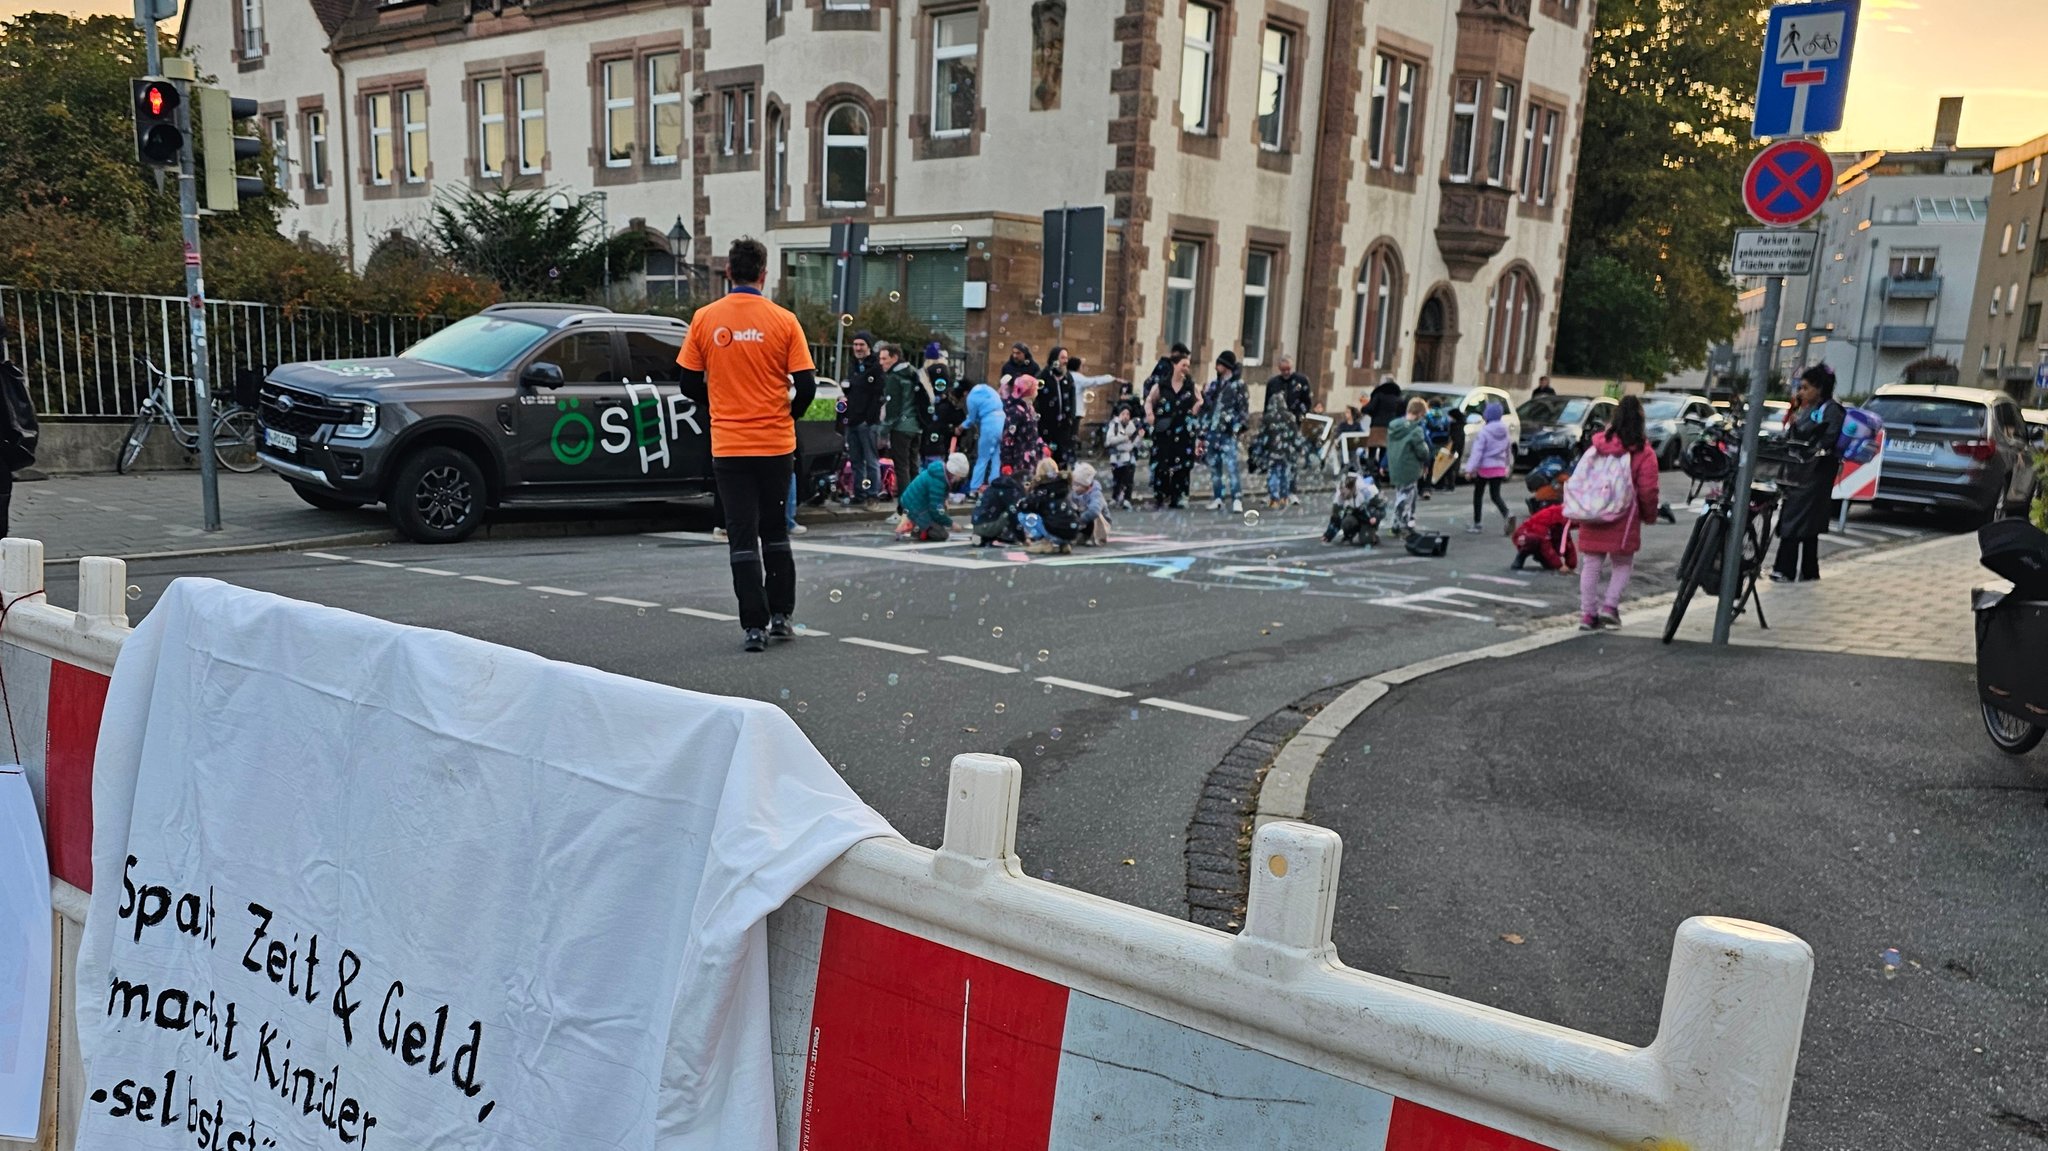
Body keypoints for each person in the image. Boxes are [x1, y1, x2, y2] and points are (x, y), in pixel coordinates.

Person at [677, 237, 818, 652]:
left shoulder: (705, 318)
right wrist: (787, 415)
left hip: (730, 447)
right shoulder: (784, 320)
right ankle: (781, 616)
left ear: (727, 273)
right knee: (775, 532)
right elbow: (807, 386)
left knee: (741, 536)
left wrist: (718, 403)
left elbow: (687, 382)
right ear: (764, 274)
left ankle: (753, 626)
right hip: (775, 444)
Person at [1569, 393, 1661, 630]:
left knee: (1591, 564)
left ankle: (1588, 614)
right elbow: (1648, 489)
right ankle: (1610, 606)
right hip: (1623, 515)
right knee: (1622, 563)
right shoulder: (1644, 452)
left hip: (1594, 509)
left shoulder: (1599, 444)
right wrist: (1649, 515)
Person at [1771, 363, 1849, 583]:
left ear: (1819, 388)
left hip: (1813, 473)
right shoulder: (1809, 409)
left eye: (1805, 388)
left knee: (1794, 518)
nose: (1801, 392)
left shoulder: (1830, 410)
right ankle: (1809, 570)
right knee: (1807, 524)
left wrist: (1800, 433)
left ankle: (1784, 569)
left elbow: (1824, 439)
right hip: (1803, 471)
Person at [1145, 352, 1202, 508]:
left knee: (1182, 464)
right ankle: (1160, 495)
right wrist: (1150, 414)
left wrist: (1197, 407)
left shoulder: (1191, 386)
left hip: (1184, 430)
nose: (1186, 368)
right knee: (1162, 462)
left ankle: (1179, 496)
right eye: (1183, 365)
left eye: (1188, 366)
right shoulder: (1162, 385)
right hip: (1164, 429)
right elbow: (1150, 401)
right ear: (1175, 365)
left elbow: (1200, 401)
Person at [879, 342, 930, 503]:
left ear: (894, 357)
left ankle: (905, 506)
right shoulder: (914, 373)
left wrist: (883, 430)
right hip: (916, 426)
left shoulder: (894, 378)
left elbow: (893, 409)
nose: (881, 362)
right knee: (914, 465)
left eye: (884, 358)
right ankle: (917, 501)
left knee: (901, 468)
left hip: (901, 427)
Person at [1202, 350, 1250, 513]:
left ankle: (1237, 498)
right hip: (1213, 430)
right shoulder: (1215, 384)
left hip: (1228, 432)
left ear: (1226, 366)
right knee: (1215, 467)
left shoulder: (1238, 385)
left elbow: (1243, 409)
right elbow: (1208, 406)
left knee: (1232, 467)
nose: (1216, 367)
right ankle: (1218, 497)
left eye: (1219, 364)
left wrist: (1237, 426)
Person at [1249, 382, 1309, 510]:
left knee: (1274, 473)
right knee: (1285, 474)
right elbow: (1295, 436)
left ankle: (1274, 498)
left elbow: (1263, 437)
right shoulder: (1290, 417)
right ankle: (1284, 497)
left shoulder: (1268, 418)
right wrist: (1299, 448)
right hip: (1287, 451)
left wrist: (1257, 451)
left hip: (1273, 451)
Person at [841, 331, 884, 504]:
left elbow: (877, 396)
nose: (858, 348)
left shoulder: (875, 367)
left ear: (868, 347)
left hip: (866, 422)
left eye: (862, 345)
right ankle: (859, 494)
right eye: (855, 344)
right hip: (852, 420)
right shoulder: (853, 366)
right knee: (856, 460)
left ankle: (873, 494)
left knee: (871, 460)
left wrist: (869, 418)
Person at [1462, 401, 1515, 534]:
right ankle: (1507, 513)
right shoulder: (1505, 430)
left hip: (1485, 468)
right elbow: (1508, 450)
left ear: (1487, 415)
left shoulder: (1484, 431)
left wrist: (1470, 469)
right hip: (1499, 467)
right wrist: (1507, 465)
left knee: (1478, 495)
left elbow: (1477, 452)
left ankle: (1477, 524)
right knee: (1495, 495)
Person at [895, 451, 971, 541]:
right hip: (914, 506)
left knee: (941, 512)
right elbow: (936, 510)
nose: (960, 479)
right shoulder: (938, 481)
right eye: (960, 476)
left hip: (915, 502)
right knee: (940, 535)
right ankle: (915, 525)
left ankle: (919, 525)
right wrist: (951, 524)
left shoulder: (940, 474)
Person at [1385, 397, 1434, 536]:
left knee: (1401, 494)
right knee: (1407, 497)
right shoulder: (1416, 430)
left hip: (1396, 466)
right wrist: (1426, 458)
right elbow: (1423, 451)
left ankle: (1397, 523)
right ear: (1419, 413)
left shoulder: (1393, 426)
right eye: (1422, 415)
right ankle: (1402, 524)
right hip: (1410, 467)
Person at [1017, 455, 1079, 554]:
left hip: (1054, 530)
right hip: (1071, 531)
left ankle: (1045, 541)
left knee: (1022, 515)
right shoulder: (1063, 485)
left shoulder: (1042, 489)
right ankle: (1064, 544)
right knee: (1056, 514)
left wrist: (1024, 497)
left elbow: (1027, 505)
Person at [960, 377, 1006, 493]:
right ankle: (994, 486)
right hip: (1002, 421)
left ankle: (974, 488)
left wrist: (961, 427)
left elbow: (972, 419)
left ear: (965, 392)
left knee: (983, 458)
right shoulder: (989, 389)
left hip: (989, 425)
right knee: (997, 457)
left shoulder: (971, 397)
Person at [1036, 347, 1079, 468]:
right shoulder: (1043, 376)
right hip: (1047, 426)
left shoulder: (1068, 377)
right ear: (1054, 359)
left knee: (1063, 458)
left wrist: (1071, 418)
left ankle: (1061, 483)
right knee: (1047, 457)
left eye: (1066, 357)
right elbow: (1037, 401)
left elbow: (1072, 400)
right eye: (1062, 357)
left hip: (1064, 427)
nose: (1065, 361)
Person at [1511, 501, 1576, 572]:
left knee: (1559, 541)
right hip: (1526, 535)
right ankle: (1522, 554)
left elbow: (1567, 542)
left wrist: (1571, 565)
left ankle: (1540, 556)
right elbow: (1544, 543)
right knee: (1532, 540)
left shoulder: (1562, 522)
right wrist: (1559, 565)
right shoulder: (1546, 517)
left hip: (1545, 537)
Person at [1000, 375, 1046, 476]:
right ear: (1030, 391)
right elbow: (1008, 438)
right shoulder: (1016, 411)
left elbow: (1034, 433)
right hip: (1019, 458)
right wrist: (1006, 462)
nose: (1037, 391)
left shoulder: (1029, 409)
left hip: (1031, 457)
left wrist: (1042, 446)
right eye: (1035, 388)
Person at [1323, 472, 1381, 545]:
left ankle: (1371, 535)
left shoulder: (1366, 491)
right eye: (1340, 492)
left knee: (1366, 541)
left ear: (1351, 488)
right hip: (1353, 515)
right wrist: (1328, 535)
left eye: (1343, 493)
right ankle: (1348, 536)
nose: (1342, 496)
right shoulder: (1340, 497)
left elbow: (1379, 508)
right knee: (1347, 522)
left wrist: (1374, 518)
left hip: (1368, 518)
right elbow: (1336, 517)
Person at [1104, 403, 1141, 509]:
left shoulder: (1132, 426)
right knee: (1117, 479)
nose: (1126, 416)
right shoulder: (1114, 426)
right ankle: (1115, 497)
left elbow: (1135, 444)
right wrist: (1124, 438)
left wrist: (1140, 438)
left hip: (1129, 457)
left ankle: (1127, 499)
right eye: (1123, 413)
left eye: (1128, 414)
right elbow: (1109, 441)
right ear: (1119, 415)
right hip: (1116, 457)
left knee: (1129, 480)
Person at [1069, 461, 1111, 546]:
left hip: (1100, 522)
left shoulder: (1095, 494)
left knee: (1095, 514)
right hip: (1084, 520)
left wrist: (1080, 520)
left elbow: (1094, 510)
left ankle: (1097, 537)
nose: (1074, 487)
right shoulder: (1075, 493)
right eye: (1073, 484)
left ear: (1087, 485)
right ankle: (1083, 535)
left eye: (1077, 485)